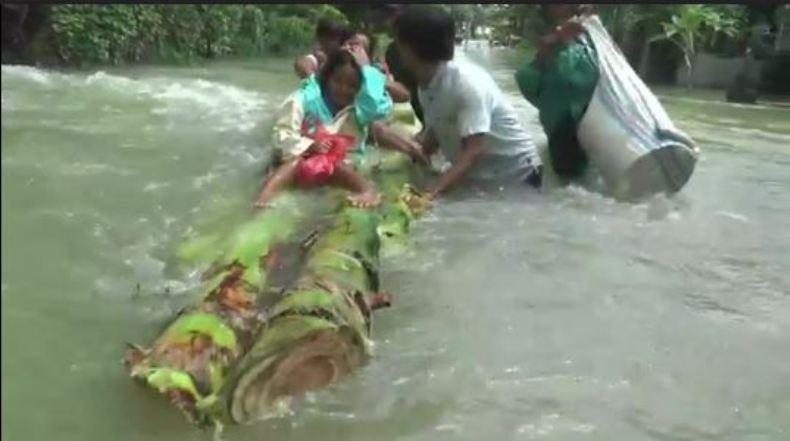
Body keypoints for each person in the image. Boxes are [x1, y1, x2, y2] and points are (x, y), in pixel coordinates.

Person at [394, 6, 543, 200]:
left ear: (410, 47)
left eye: (398, 41)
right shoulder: (426, 82)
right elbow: (438, 127)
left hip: (517, 175)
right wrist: (413, 150)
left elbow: (474, 150)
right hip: (480, 175)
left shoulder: (466, 83)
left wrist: (432, 193)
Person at [256, 47, 392, 208]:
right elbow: (281, 135)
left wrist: (367, 69)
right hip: (300, 159)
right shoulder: (302, 99)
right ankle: (264, 198)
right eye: (338, 82)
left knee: (338, 165)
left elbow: (377, 107)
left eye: (351, 86)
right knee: (287, 165)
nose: (344, 89)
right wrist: (310, 146)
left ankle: (368, 191)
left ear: (360, 88)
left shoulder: (361, 107)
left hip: (340, 167)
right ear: (327, 79)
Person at [514, 5, 597, 180]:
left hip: (586, 102)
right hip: (560, 107)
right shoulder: (538, 25)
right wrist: (561, 35)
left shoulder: (588, 24)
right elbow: (541, 50)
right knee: (567, 169)